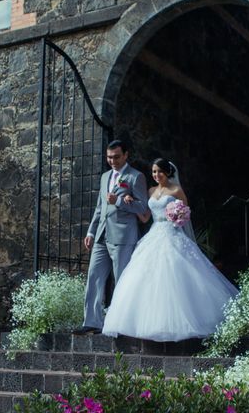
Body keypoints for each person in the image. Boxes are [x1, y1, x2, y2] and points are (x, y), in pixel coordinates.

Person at [102, 158, 239, 342]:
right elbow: (144, 217)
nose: (156, 175)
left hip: (172, 234)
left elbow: (186, 215)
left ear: (167, 172)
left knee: (174, 272)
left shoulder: (176, 190)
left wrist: (178, 216)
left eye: (159, 171)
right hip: (154, 234)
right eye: (153, 172)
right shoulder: (150, 191)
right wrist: (129, 201)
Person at [73, 140, 149, 335]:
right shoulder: (105, 176)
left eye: (116, 157)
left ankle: (121, 323)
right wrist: (91, 231)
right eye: (109, 157)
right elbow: (100, 207)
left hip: (123, 236)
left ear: (126, 155)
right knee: (94, 277)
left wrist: (120, 203)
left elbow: (143, 209)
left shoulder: (135, 177)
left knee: (121, 280)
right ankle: (92, 321)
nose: (112, 161)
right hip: (101, 235)